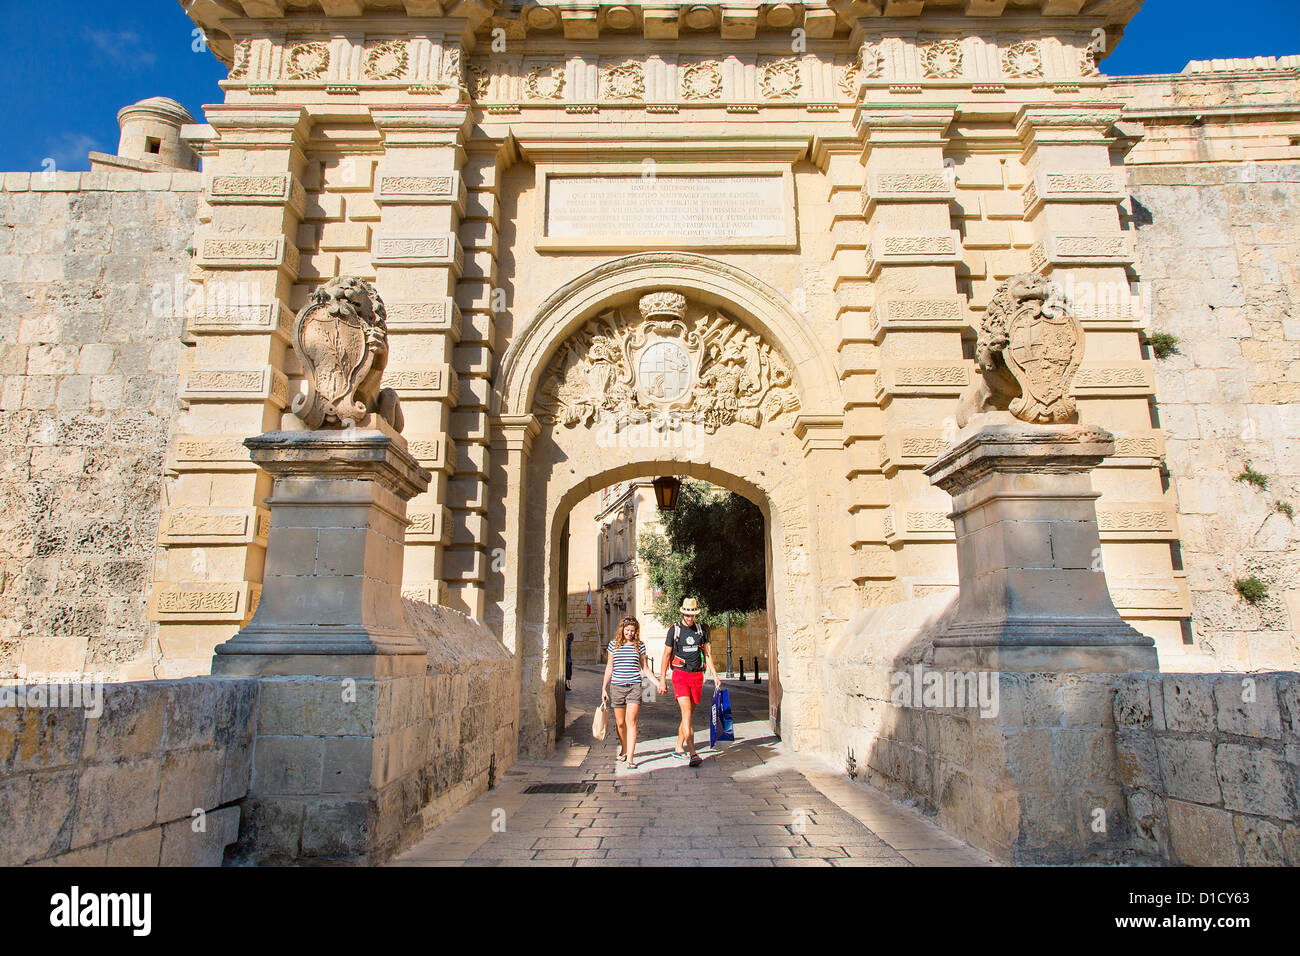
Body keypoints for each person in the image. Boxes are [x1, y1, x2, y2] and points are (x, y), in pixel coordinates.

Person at [657, 597, 720, 767]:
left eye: (692, 615)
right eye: (686, 615)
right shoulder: (674, 630)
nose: (689, 618)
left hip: (697, 676)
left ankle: (678, 747)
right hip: (680, 675)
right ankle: (693, 753)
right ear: (682, 613)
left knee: (688, 715)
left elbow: (707, 654)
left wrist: (715, 675)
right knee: (686, 713)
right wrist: (662, 680)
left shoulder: (701, 630)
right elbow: (666, 656)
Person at [601, 616, 649, 769]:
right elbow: (609, 667)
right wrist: (604, 688)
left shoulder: (639, 646)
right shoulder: (613, 645)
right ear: (622, 629)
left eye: (633, 631)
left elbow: (645, 668)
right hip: (617, 687)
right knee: (620, 723)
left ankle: (630, 758)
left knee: (631, 721)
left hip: (634, 686)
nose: (630, 633)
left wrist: (659, 682)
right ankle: (624, 747)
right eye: (627, 630)